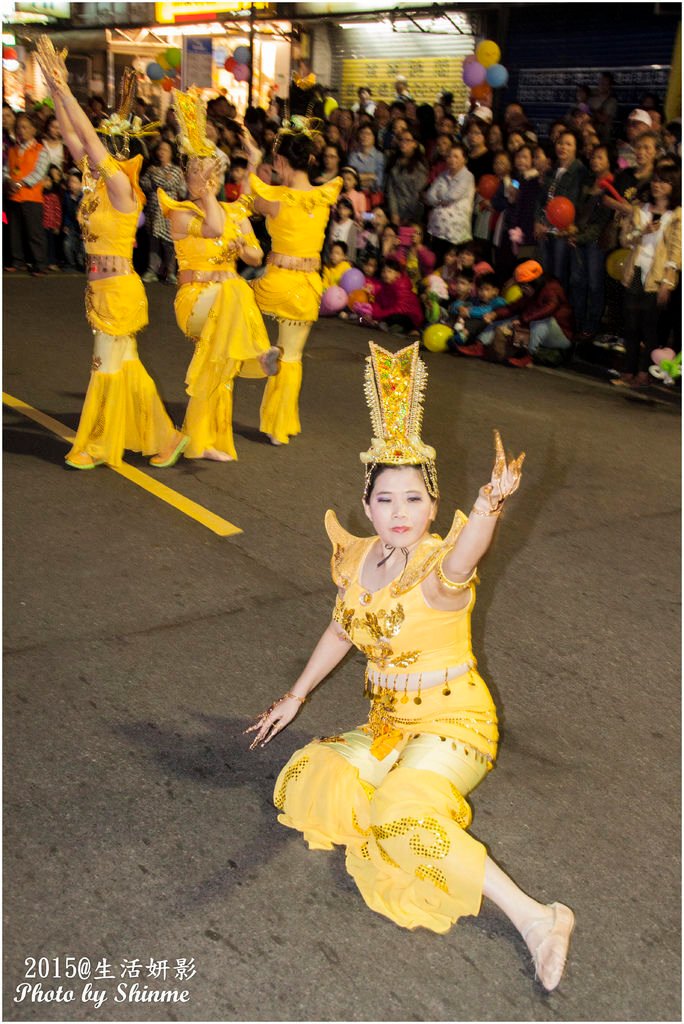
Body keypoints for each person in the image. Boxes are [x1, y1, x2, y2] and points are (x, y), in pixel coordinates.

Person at [247, 341, 575, 992]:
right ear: (368, 506)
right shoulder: (360, 559)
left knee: (401, 810)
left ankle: (538, 918)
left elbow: (465, 559)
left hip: (455, 724)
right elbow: (343, 629)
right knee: (320, 775)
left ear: (433, 507)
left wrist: (487, 509)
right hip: (392, 723)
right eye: (387, 500)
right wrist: (296, 695)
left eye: (414, 501)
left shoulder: (437, 570)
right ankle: (401, 787)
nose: (400, 513)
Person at [35, 37, 187, 470]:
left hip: (118, 291)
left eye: (109, 146)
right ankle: (166, 436)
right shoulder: (100, 186)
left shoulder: (123, 190)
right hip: (103, 289)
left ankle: (97, 445)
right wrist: (53, 89)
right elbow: (72, 135)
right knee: (127, 371)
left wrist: (66, 89)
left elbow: (87, 138)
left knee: (104, 367)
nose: (100, 150)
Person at [159, 88, 279, 462]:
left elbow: (257, 251)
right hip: (194, 302)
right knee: (236, 290)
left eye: (209, 170)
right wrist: (204, 192)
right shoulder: (180, 211)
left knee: (220, 365)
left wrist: (244, 248)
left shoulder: (235, 212)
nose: (204, 177)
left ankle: (202, 440)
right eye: (196, 170)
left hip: (226, 305)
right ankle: (258, 354)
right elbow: (212, 227)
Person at [248, 123, 342, 445]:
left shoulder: (276, 198)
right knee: (292, 357)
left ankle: (258, 351)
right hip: (307, 287)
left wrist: (252, 160)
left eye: (277, 164)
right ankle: (278, 430)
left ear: (284, 163)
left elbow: (250, 198)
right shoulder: (323, 197)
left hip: (274, 283)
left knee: (231, 306)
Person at [612, 163, 681, 390]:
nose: (657, 185)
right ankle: (628, 371)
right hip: (636, 270)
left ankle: (644, 373)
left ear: (673, 186)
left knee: (650, 327)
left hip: (657, 276)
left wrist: (668, 283)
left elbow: (676, 251)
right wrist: (642, 232)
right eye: (655, 180)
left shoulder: (677, 215)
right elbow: (625, 240)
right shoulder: (640, 209)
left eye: (663, 181)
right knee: (631, 325)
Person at [479, 259, 573, 367]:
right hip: (539, 332)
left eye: (523, 285)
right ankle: (480, 344)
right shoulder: (530, 293)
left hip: (562, 334)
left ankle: (527, 356)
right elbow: (512, 308)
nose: (522, 289)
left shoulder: (552, 288)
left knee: (541, 321)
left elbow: (549, 308)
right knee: (505, 317)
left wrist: (523, 319)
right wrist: (495, 314)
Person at [534, 130, 588, 292]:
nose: (563, 147)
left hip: (562, 232)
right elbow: (540, 199)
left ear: (576, 148)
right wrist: (537, 221)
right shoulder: (552, 170)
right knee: (544, 273)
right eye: (560, 143)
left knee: (559, 276)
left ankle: (558, 313)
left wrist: (567, 225)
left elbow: (576, 204)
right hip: (544, 229)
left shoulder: (580, 172)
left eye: (568, 144)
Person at [5, 112, 49, 275]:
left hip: (32, 198)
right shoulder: (13, 149)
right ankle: (17, 261)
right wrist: (8, 180)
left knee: (34, 232)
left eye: (25, 127)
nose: (21, 131)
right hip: (14, 196)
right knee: (14, 231)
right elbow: (6, 169)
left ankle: (40, 263)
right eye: (18, 128)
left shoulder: (40, 150)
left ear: (33, 130)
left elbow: (39, 172)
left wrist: (20, 182)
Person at [141, 139, 186, 285]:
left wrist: (156, 177)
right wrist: (159, 178)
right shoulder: (151, 169)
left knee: (169, 243)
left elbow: (171, 183)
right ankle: (152, 270)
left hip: (169, 212)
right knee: (154, 243)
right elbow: (144, 184)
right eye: (160, 149)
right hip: (153, 212)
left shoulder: (176, 170)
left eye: (165, 150)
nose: (161, 153)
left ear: (171, 153)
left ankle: (171, 272)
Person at [425, 143, 475, 261]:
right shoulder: (443, 175)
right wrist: (440, 200)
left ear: (465, 159)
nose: (451, 159)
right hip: (437, 230)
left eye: (456, 156)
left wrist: (439, 198)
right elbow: (429, 195)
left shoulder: (467, 176)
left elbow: (452, 196)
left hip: (456, 232)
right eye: (449, 156)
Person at [384, 129, 428, 226]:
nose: (403, 143)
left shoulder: (419, 166)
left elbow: (418, 194)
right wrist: (394, 213)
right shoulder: (394, 161)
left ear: (415, 144)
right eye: (401, 140)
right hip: (396, 210)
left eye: (407, 140)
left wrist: (411, 217)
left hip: (413, 213)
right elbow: (391, 190)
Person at [348, 125, 385, 195]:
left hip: (373, 195)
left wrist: (358, 178)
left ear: (374, 137)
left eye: (368, 134)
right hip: (355, 194)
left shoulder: (380, 156)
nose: (364, 136)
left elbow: (379, 181)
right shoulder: (353, 156)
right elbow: (349, 178)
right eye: (362, 133)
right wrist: (371, 176)